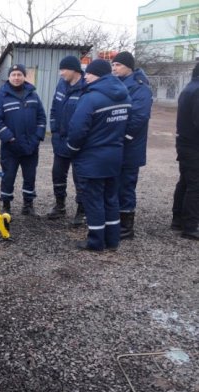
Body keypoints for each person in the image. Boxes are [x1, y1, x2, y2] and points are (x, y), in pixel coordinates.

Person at [67, 59, 131, 251]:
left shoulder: (91, 98)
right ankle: (112, 240)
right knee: (110, 199)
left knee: (93, 200)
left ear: (99, 75)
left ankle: (95, 242)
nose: (85, 76)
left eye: (89, 73)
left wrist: (71, 148)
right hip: (115, 156)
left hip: (92, 158)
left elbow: (78, 129)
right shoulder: (125, 96)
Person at [0, 63, 46, 216]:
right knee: (8, 176)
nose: (16, 77)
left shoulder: (33, 94)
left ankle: (28, 205)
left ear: (24, 76)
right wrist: (10, 139)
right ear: (8, 77)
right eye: (13, 75)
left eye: (19, 74)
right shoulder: (1, 96)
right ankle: (6, 205)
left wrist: (37, 137)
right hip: (11, 147)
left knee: (30, 177)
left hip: (31, 146)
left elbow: (41, 117)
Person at [111, 51, 153, 239]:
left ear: (129, 66)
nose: (114, 68)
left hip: (130, 145)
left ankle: (126, 227)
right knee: (115, 182)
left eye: (118, 65)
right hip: (117, 143)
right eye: (113, 65)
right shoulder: (117, 84)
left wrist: (125, 136)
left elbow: (139, 116)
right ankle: (115, 221)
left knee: (126, 184)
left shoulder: (140, 88)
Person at [47, 55, 86, 225]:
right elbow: (54, 109)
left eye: (64, 69)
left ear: (74, 70)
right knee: (57, 173)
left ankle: (82, 210)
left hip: (79, 143)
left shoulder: (86, 87)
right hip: (61, 140)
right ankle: (60, 205)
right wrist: (55, 130)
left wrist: (79, 137)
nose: (61, 73)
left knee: (81, 177)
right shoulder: (61, 85)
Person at [172, 62, 199, 240]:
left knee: (186, 182)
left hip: (185, 143)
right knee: (195, 186)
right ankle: (190, 227)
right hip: (194, 145)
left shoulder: (190, 87)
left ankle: (178, 220)